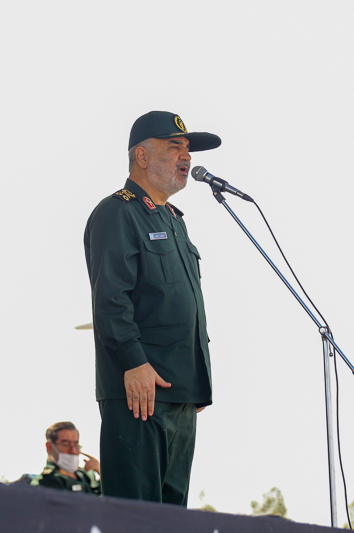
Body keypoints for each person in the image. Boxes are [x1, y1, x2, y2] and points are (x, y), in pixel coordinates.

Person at [83, 111, 220, 505]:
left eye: (188, 149)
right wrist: (134, 362)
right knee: (136, 517)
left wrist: (197, 380)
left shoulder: (174, 221)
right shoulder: (117, 212)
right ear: (141, 156)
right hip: (139, 389)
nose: (186, 157)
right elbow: (111, 299)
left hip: (181, 391)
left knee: (170, 519)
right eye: (174, 147)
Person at [31, 421, 101, 495]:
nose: (73, 450)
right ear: (49, 446)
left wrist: (101, 472)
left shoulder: (85, 475)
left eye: (76, 444)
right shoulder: (46, 481)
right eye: (66, 444)